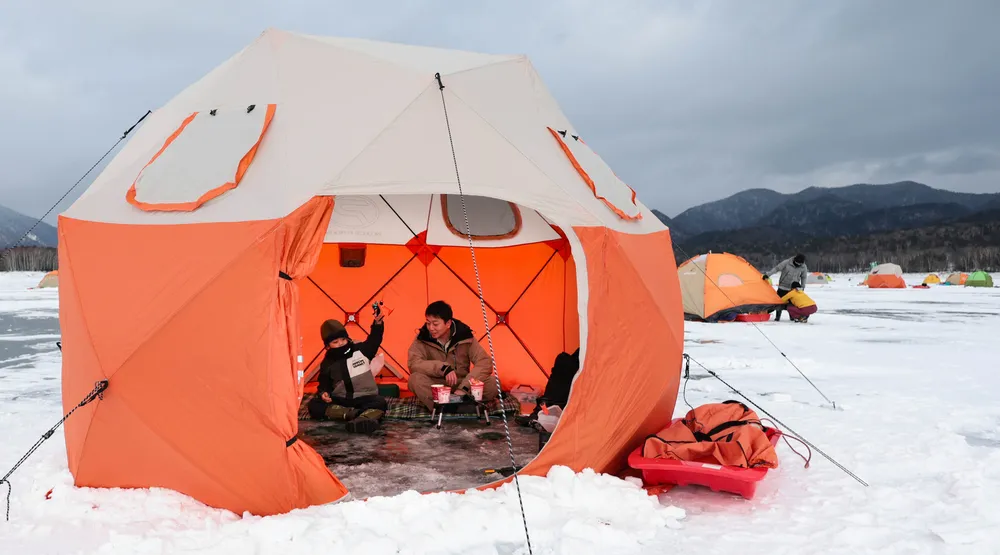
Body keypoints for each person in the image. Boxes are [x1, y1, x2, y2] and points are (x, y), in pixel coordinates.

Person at [306, 309, 387, 434]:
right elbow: (324, 384)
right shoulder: (328, 362)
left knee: (380, 403)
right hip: (341, 400)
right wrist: (324, 393)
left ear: (347, 338)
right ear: (327, 346)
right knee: (314, 405)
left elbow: (374, 339)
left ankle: (363, 420)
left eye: (343, 340)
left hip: (365, 397)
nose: (340, 344)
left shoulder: (361, 350)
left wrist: (377, 324)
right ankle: (353, 415)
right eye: (335, 342)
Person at [407, 300, 499, 410]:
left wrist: (464, 387)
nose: (431, 328)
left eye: (435, 324)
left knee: (493, 383)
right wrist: (442, 368)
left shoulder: (464, 337)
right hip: (437, 387)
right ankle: (450, 407)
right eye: (428, 323)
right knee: (414, 379)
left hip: (462, 385)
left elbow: (485, 362)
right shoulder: (422, 338)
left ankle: (459, 404)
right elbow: (414, 364)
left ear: (448, 323)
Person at [763, 253, 808, 321]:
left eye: (800, 264)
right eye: (797, 263)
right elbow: (777, 268)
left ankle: (792, 317)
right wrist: (768, 274)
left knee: (792, 304)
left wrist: (802, 287)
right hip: (782, 286)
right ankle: (777, 317)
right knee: (779, 302)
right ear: (794, 260)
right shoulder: (787, 262)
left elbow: (804, 277)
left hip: (793, 289)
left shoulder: (803, 267)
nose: (798, 264)